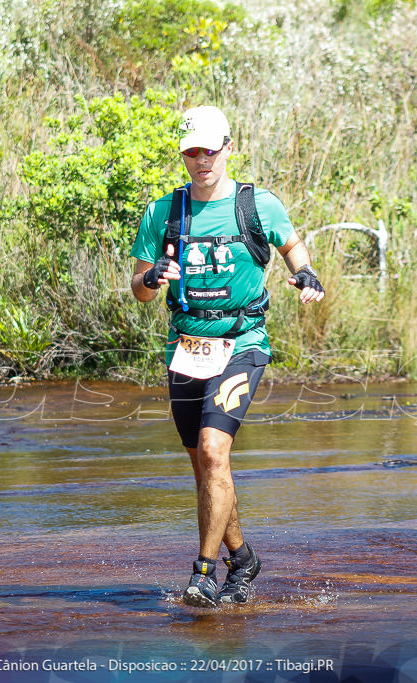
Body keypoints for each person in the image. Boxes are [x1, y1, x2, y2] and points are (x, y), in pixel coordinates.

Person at [129, 105, 325, 607]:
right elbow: (139, 288)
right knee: (205, 467)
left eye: (209, 150)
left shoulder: (257, 205)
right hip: (187, 348)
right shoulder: (163, 212)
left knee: (215, 451)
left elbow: (292, 246)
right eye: (192, 152)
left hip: (243, 343)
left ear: (228, 148)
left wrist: (305, 274)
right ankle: (242, 558)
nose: (201, 161)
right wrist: (151, 279)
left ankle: (202, 574)